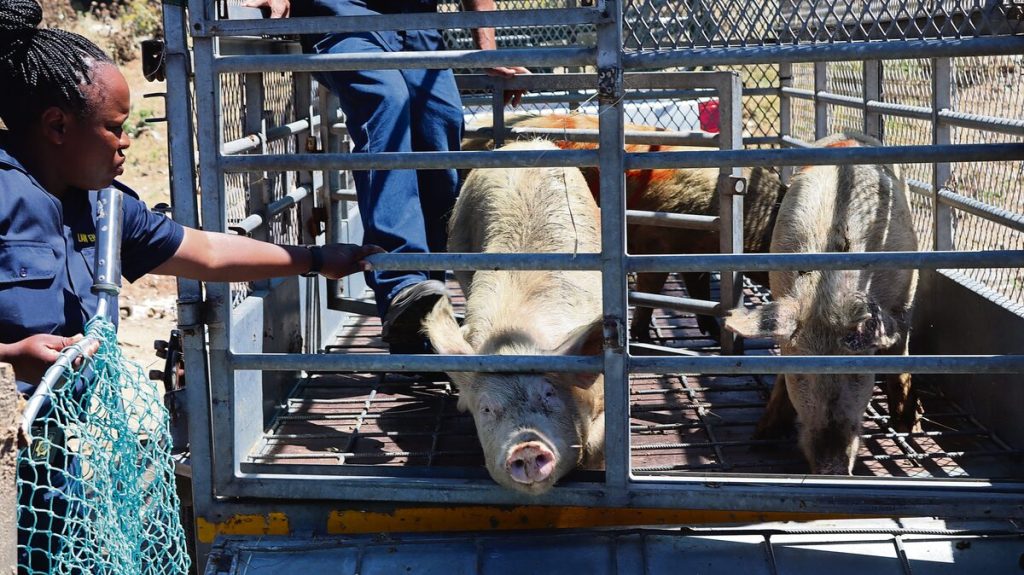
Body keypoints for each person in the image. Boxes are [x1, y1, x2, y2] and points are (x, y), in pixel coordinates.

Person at [0, 1, 381, 570]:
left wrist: (315, 258)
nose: (126, 143)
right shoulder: (6, 195)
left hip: (57, 455)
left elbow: (205, 252)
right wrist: (9, 358)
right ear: (57, 126)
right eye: (114, 128)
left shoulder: (104, 209)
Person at [242, 0, 529, 353]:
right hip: (341, 14)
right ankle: (400, 282)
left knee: (440, 123)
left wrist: (488, 48)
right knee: (385, 99)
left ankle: (422, 316)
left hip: (417, 22)